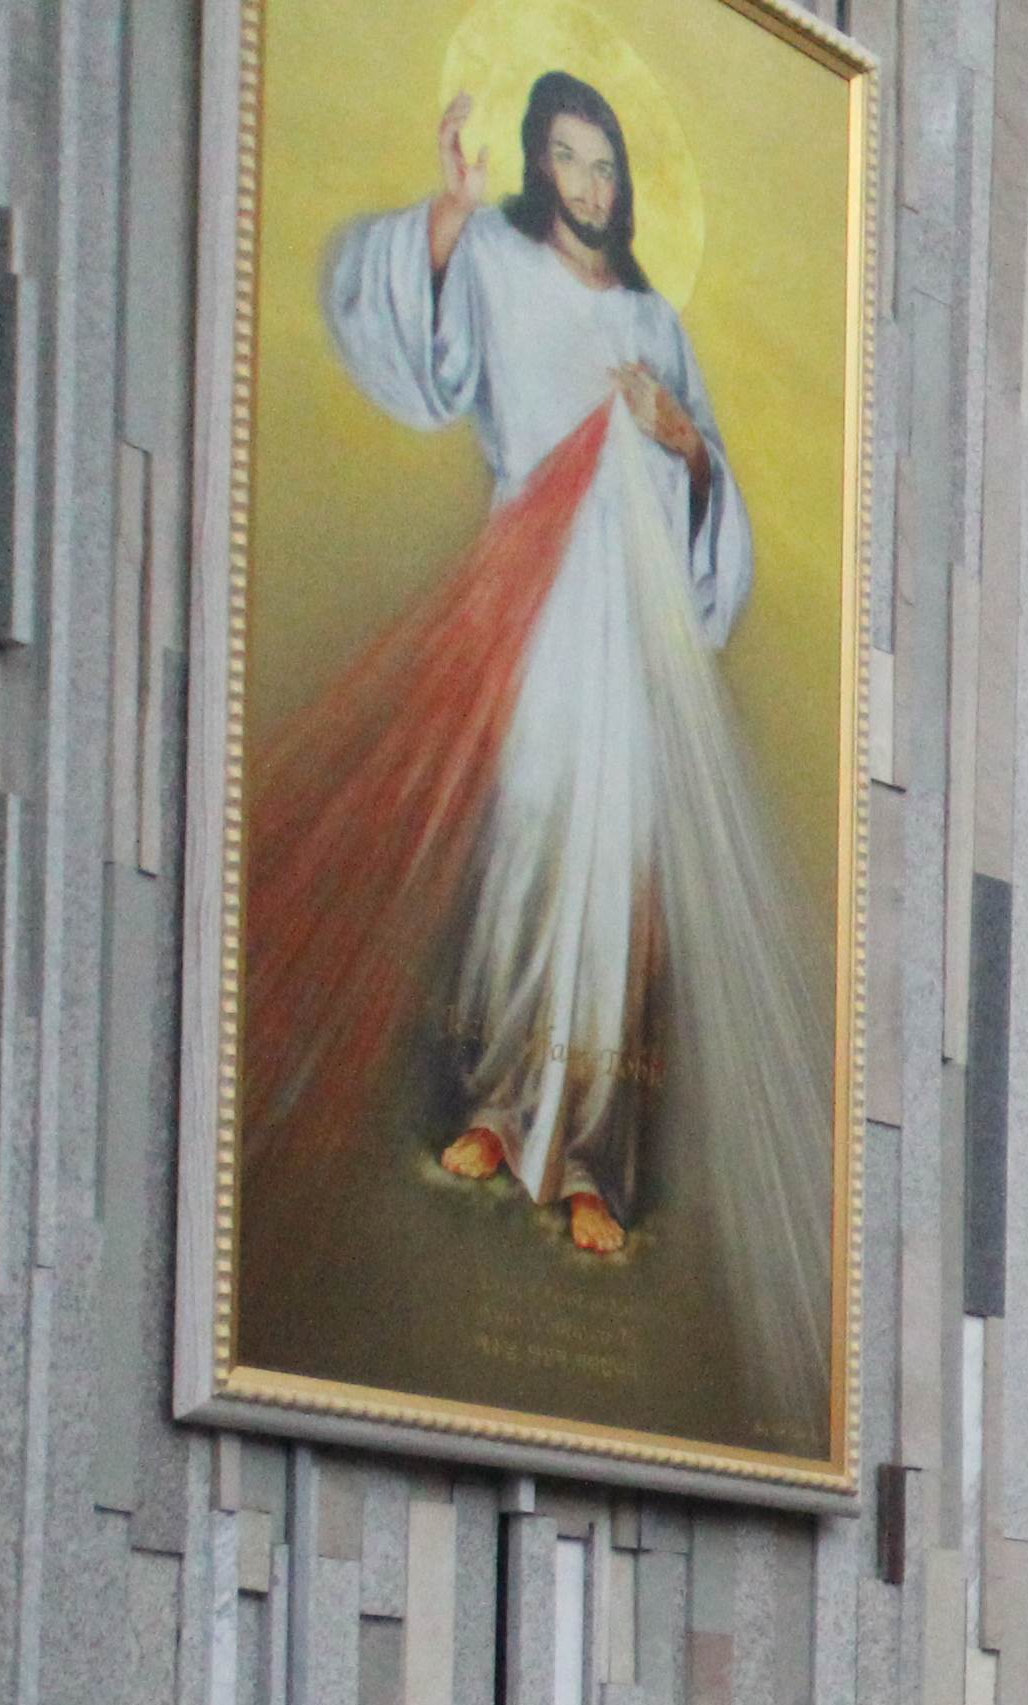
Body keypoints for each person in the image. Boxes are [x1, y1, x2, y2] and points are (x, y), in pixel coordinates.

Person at [259, 68, 831, 1398]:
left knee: (611, 878)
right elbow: (418, 359)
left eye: (606, 163)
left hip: (629, 633)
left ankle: (590, 1168)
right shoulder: (499, 267)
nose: (591, 183)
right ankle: (497, 1108)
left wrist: (686, 445)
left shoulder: (652, 321)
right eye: (570, 159)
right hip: (529, 607)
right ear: (537, 165)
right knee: (525, 848)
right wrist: (447, 219)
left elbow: (710, 492)